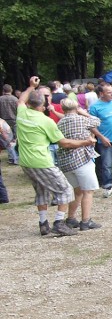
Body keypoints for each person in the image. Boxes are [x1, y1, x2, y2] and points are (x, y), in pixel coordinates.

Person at [16, 77, 96, 236]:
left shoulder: (22, 113)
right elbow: (64, 143)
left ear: (29, 104)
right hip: (41, 161)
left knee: (42, 192)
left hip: (25, 162)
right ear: (43, 105)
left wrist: (31, 86)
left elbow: (21, 100)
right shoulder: (46, 121)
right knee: (66, 190)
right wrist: (85, 142)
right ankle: (59, 223)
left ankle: (43, 224)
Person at [56, 98, 102, 230]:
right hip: (82, 158)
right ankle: (86, 221)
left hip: (66, 161)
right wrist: (84, 113)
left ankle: (71, 218)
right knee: (88, 190)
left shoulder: (60, 123)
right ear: (77, 108)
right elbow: (97, 121)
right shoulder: (82, 119)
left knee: (77, 191)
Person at [0, 84, 19, 164]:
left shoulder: (0, 99)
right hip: (14, 120)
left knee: (7, 140)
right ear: (11, 90)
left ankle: (12, 158)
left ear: (3, 91)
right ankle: (16, 156)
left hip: (3, 122)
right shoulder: (15, 99)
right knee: (15, 139)